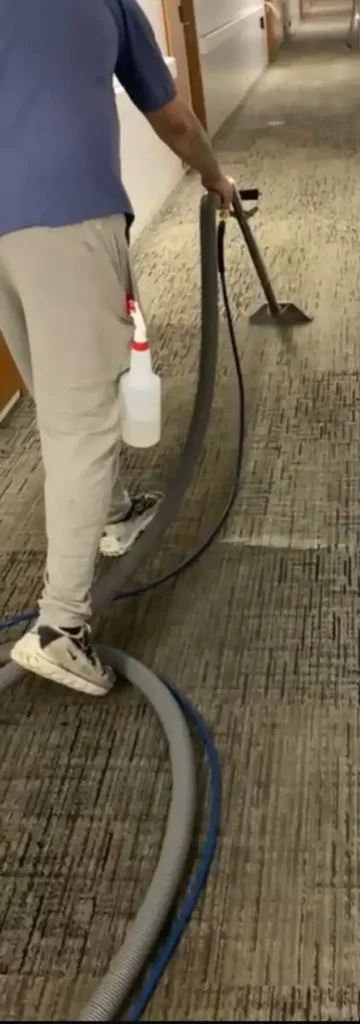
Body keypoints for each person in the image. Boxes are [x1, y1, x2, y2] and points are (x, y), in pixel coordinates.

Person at [0, 0, 234, 697]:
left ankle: (112, 510)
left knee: (56, 388)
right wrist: (215, 175)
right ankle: (61, 626)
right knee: (83, 417)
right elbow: (175, 119)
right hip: (68, 218)